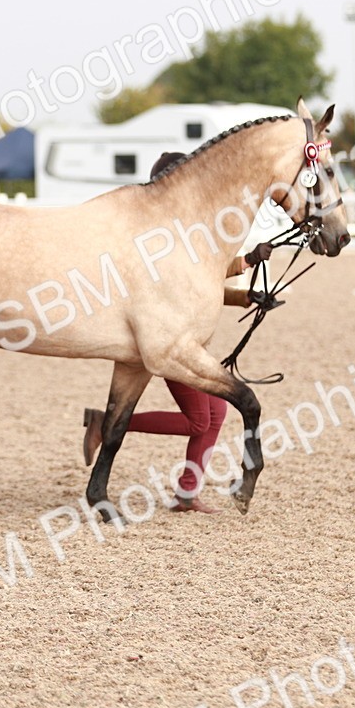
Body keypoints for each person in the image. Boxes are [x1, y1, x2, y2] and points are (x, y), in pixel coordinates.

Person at [81, 151, 273, 513]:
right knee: (201, 418)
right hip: (171, 339)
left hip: (184, 335)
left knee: (216, 413)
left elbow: (201, 286)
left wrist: (246, 294)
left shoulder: (182, 230)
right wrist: (246, 261)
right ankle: (105, 423)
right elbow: (183, 286)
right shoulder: (161, 237)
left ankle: (187, 491)